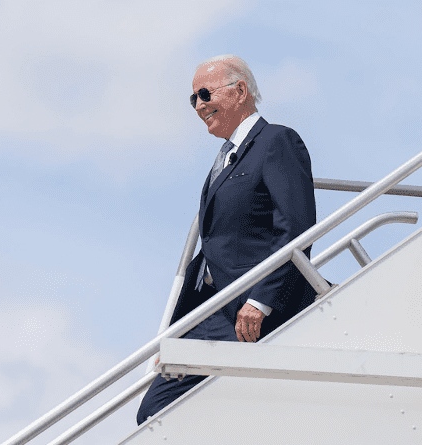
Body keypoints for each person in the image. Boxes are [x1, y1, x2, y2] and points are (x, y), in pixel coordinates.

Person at [136, 55, 319, 425]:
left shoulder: (276, 141)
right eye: (194, 99)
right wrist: (178, 330)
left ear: (240, 91)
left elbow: (296, 226)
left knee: (212, 414)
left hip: (248, 313)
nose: (199, 105)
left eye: (205, 93)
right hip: (210, 311)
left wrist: (261, 301)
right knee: (153, 412)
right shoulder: (224, 157)